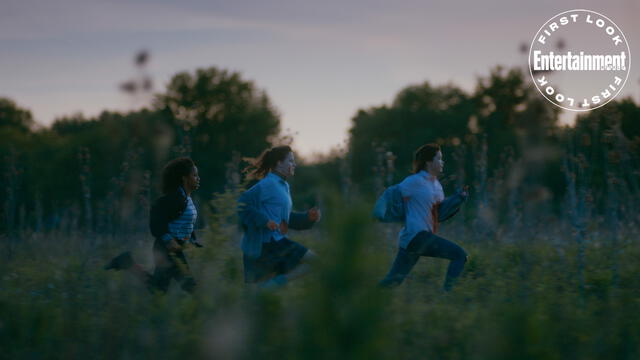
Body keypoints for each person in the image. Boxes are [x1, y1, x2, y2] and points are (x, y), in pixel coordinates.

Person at [105, 157, 203, 294]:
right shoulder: (174, 199)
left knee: (159, 289)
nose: (198, 178)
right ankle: (127, 262)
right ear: (184, 179)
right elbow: (157, 214)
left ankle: (127, 262)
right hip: (166, 250)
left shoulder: (186, 199)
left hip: (173, 250)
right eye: (194, 175)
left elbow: (183, 223)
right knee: (190, 287)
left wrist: (193, 241)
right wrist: (168, 239)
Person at [379, 143, 468, 291]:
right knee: (459, 255)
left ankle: (363, 299)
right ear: (428, 162)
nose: (442, 162)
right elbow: (390, 193)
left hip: (413, 239)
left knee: (393, 281)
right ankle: (447, 296)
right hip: (416, 236)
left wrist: (458, 199)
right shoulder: (415, 181)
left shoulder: (437, 187)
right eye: (439, 158)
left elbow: (438, 216)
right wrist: (379, 213)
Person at [237, 145, 321, 289]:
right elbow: (242, 204)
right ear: (278, 163)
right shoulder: (268, 184)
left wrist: (308, 218)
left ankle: (274, 285)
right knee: (315, 261)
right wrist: (264, 221)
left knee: (315, 263)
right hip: (266, 246)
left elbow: (286, 219)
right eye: (290, 161)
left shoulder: (283, 186)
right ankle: (273, 285)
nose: (294, 164)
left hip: (277, 242)